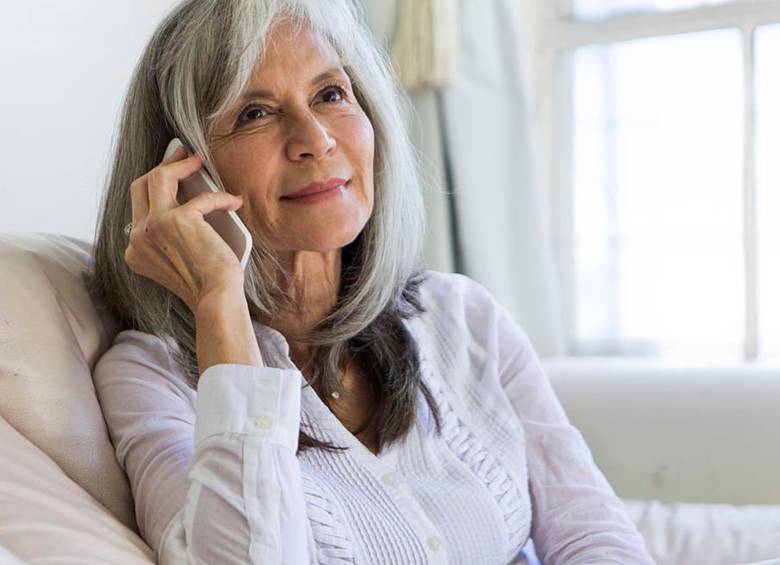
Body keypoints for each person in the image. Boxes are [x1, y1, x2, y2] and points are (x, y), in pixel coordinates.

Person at [89, 0, 655, 563]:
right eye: (255, 113)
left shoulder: (460, 315)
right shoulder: (148, 378)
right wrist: (220, 301)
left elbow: (595, 537)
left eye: (331, 94)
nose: (315, 138)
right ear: (179, 178)